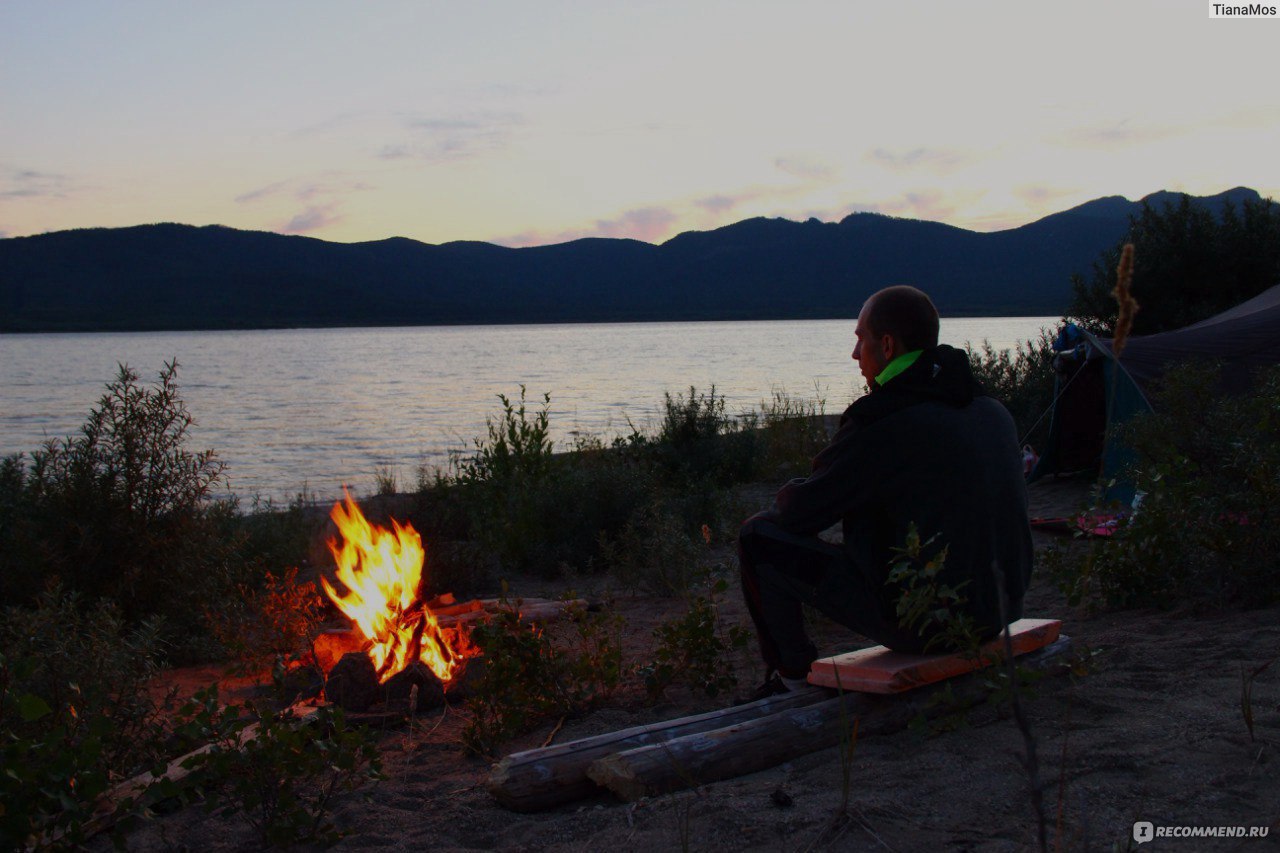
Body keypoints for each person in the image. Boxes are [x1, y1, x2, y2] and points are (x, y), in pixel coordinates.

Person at [738, 285, 1033, 697]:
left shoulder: (883, 420)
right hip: (999, 611)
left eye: (860, 339)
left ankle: (792, 679)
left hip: (925, 624)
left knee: (758, 538)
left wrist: (800, 485)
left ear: (888, 345)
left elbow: (798, 515)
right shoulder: (992, 410)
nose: (855, 354)